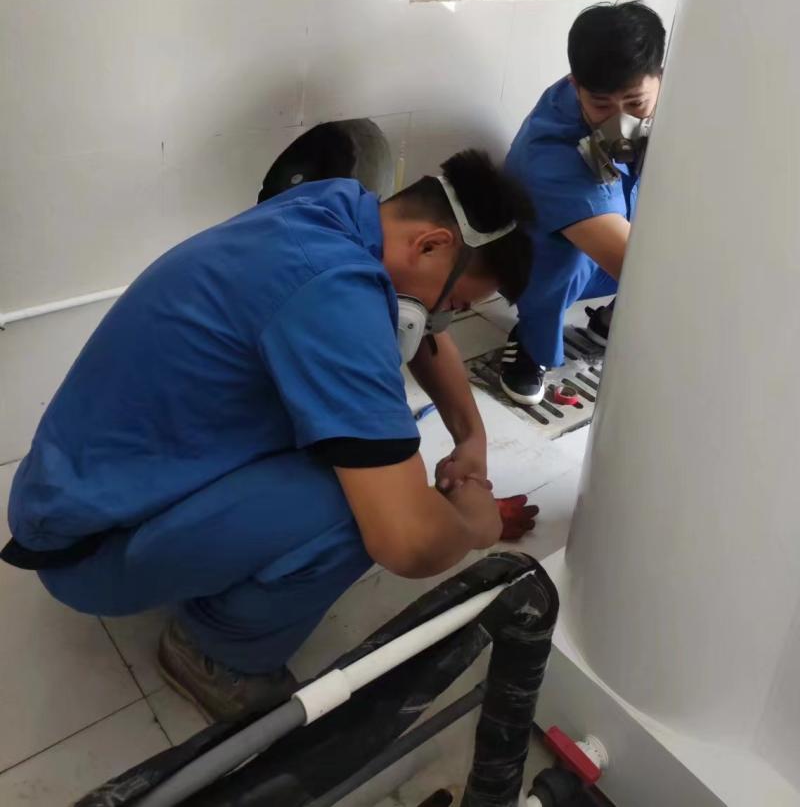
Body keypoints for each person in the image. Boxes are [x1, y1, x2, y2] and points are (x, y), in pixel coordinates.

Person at [1, 150, 534, 721]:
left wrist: (470, 437)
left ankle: (199, 561)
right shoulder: (333, 291)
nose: (441, 318)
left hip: (68, 495)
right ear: (430, 245)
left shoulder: (334, 209)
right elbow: (408, 542)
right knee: (362, 508)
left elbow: (421, 328)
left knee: (354, 455)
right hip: (87, 554)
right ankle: (214, 655)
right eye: (452, 303)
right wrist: (473, 523)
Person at [501, 1, 666, 405]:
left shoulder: (670, 101)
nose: (620, 121)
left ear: (663, 79)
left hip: (615, 231)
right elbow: (636, 267)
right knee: (577, 257)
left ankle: (611, 319)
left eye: (636, 103)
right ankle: (532, 340)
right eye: (601, 105)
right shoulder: (550, 155)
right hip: (542, 257)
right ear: (575, 85)